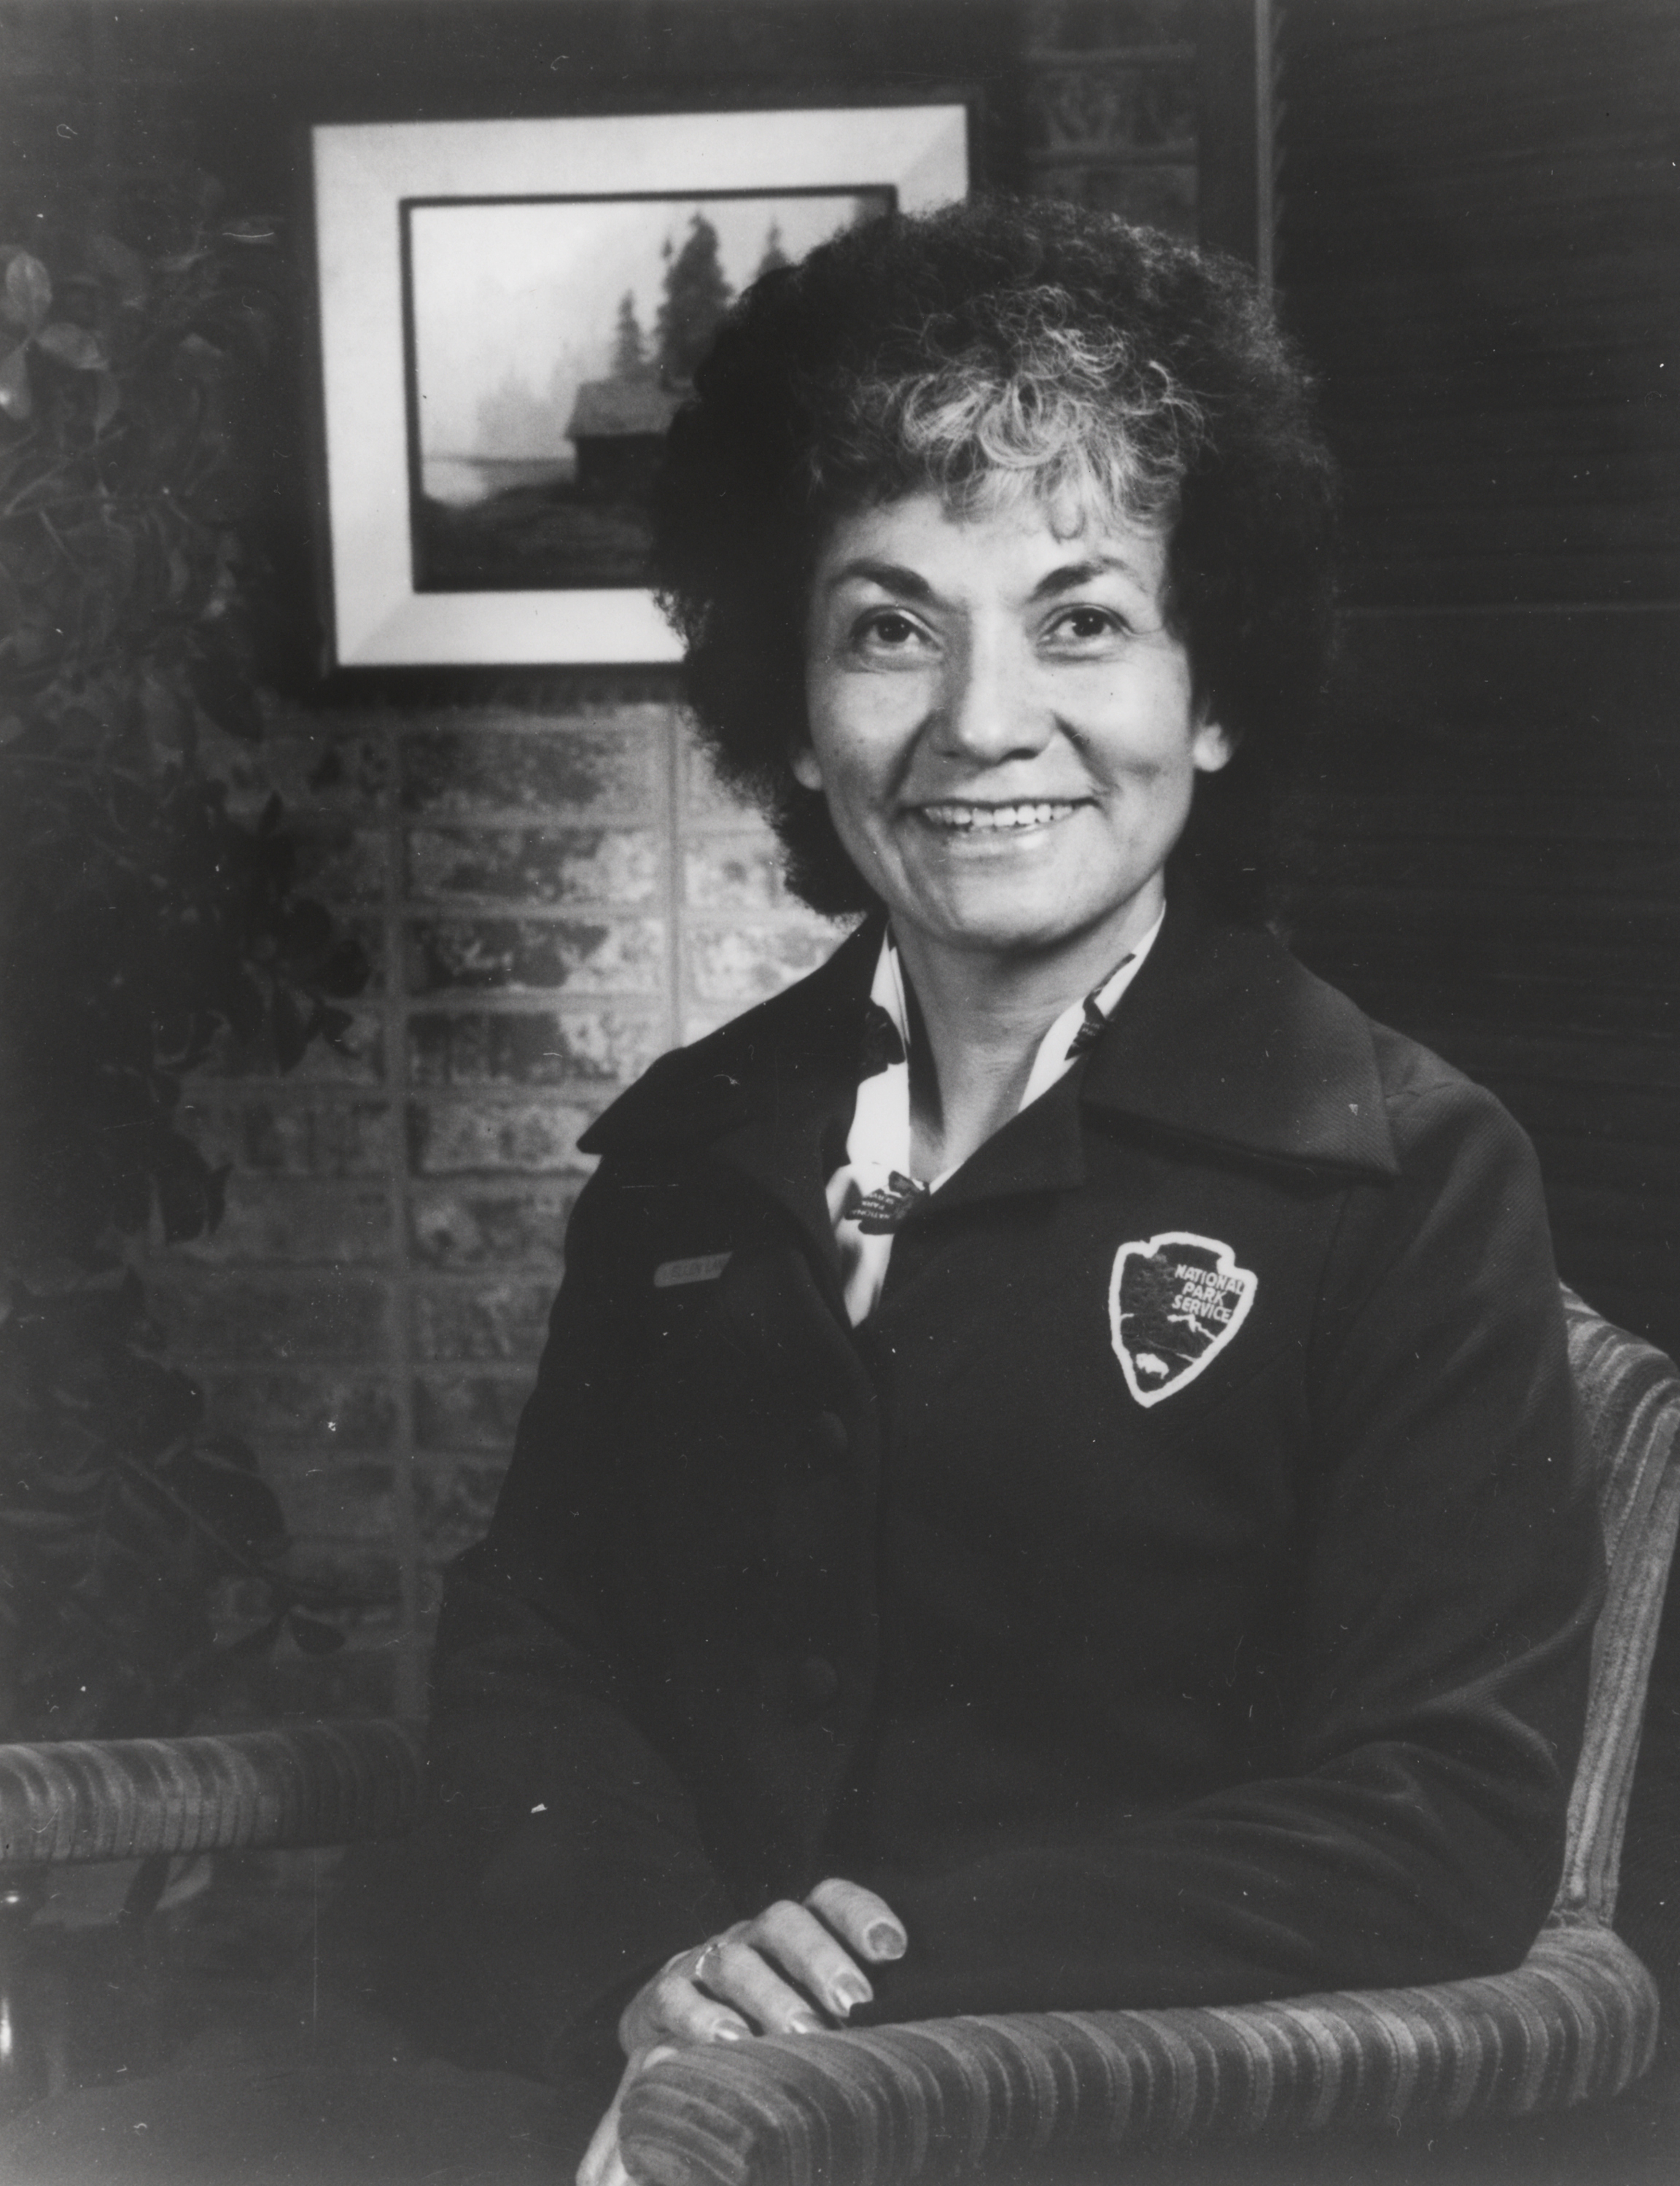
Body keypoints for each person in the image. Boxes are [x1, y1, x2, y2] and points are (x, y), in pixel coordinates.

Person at [415, 197, 1602, 2184]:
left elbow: (1441, 1812)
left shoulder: (1410, 1171)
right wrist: (652, 1979)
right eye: (891, 625)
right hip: (662, 2114)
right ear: (794, 704)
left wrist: (842, 2002)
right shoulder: (688, 1152)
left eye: (1082, 619)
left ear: (1215, 698)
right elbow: (541, 1644)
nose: (981, 722)